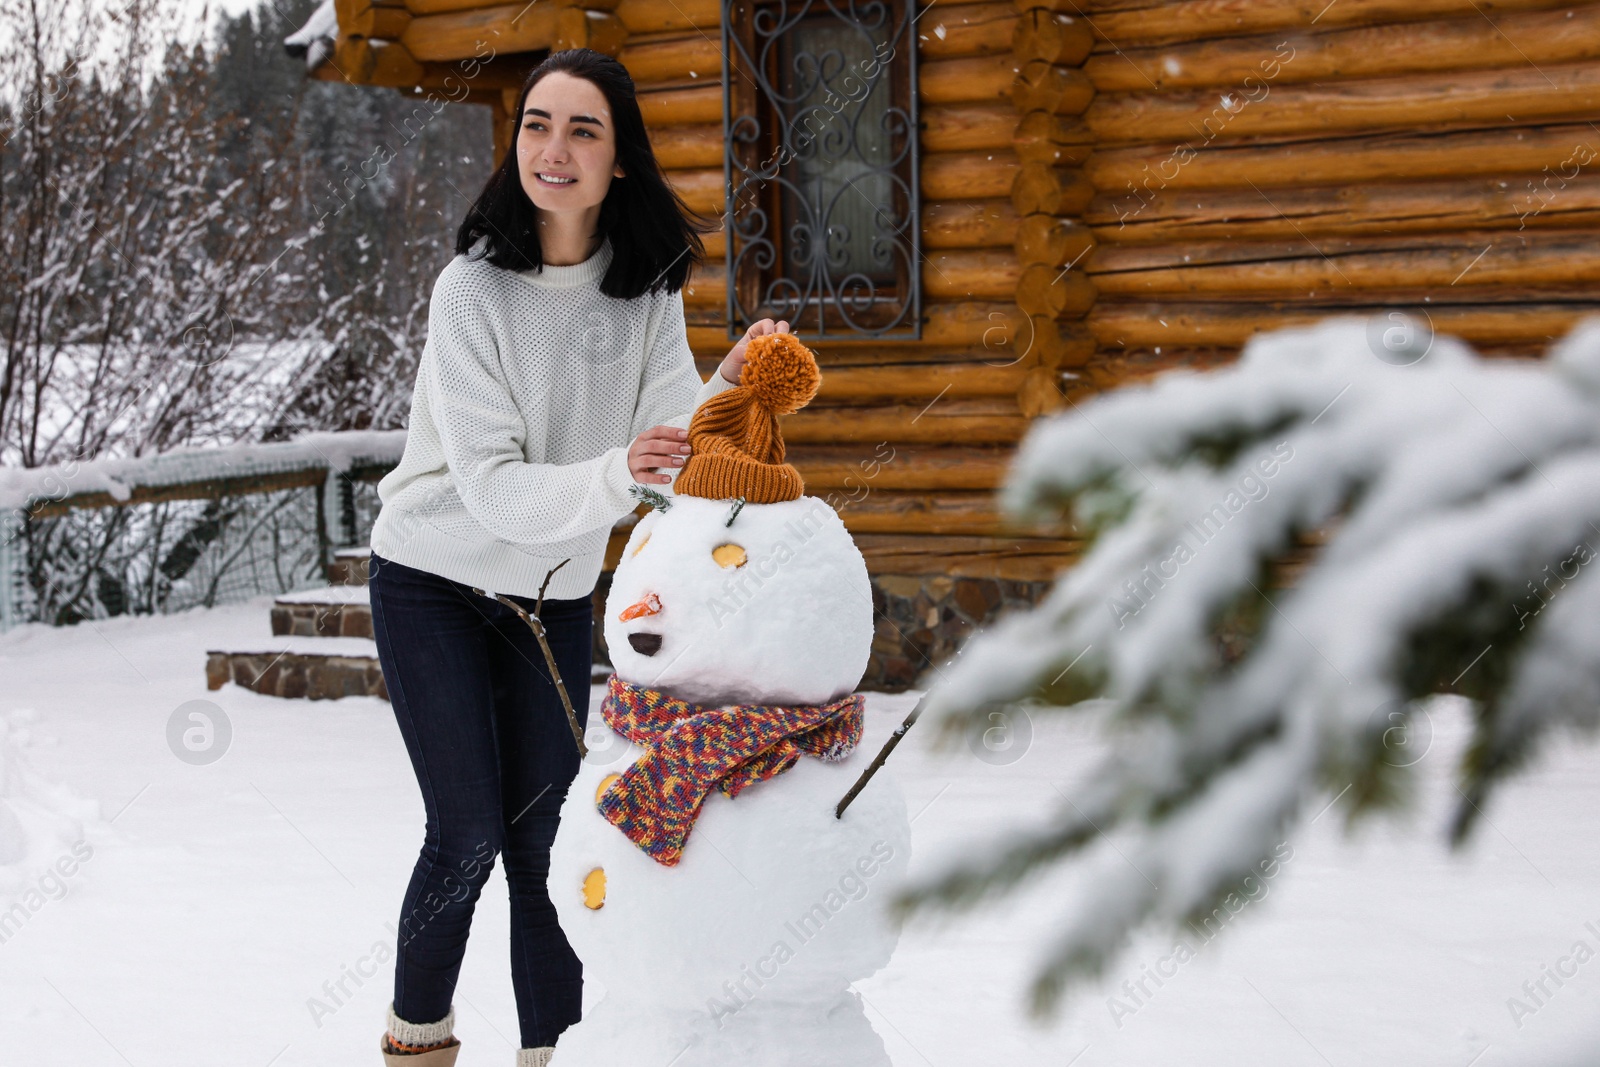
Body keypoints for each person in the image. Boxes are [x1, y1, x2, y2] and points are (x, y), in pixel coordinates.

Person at [364, 48, 789, 1067]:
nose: (553, 148)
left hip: (549, 592)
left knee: (545, 847)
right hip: (431, 579)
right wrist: (615, 475)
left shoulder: (643, 292)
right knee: (466, 831)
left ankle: (550, 1055)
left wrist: (725, 388)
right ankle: (417, 1043)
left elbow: (667, 437)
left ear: (619, 162)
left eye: (581, 129)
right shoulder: (469, 292)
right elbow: (494, 487)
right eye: (537, 126)